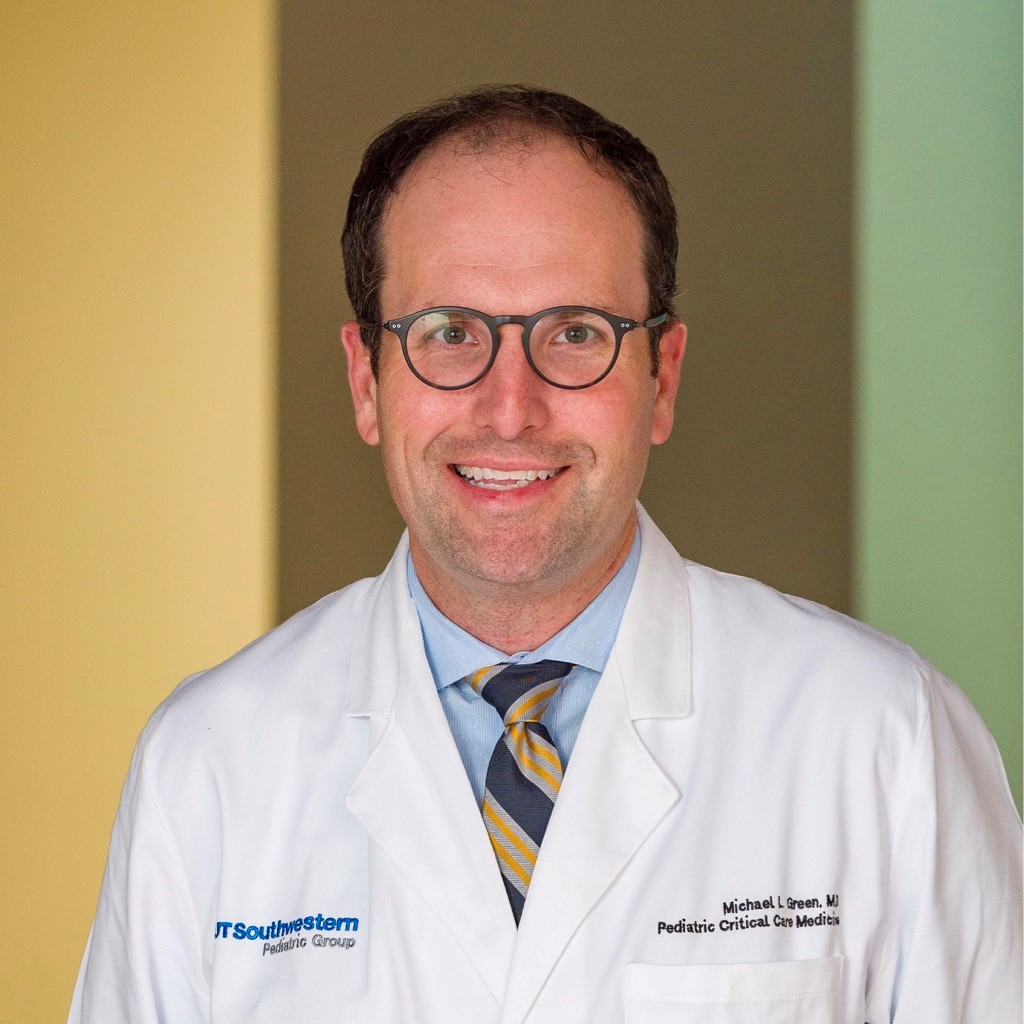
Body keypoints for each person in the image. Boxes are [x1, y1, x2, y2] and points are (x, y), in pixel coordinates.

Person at [70, 85, 1021, 1024]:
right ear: (366, 379)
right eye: (450, 334)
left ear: (662, 378)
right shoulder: (210, 762)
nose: (510, 409)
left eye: (574, 334)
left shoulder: (885, 737)